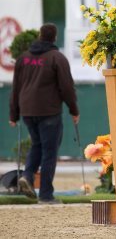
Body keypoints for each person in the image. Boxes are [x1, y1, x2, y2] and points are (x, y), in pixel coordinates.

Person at [9, 23, 79, 204]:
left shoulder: (23, 58)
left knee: (36, 145)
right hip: (49, 110)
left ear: (39, 36)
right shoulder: (57, 58)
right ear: (55, 37)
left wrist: (13, 114)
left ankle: (27, 175)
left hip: (27, 110)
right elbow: (67, 87)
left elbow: (16, 87)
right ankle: (46, 195)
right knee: (49, 152)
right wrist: (74, 109)